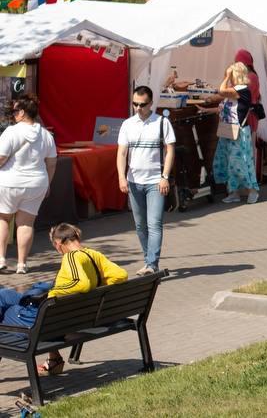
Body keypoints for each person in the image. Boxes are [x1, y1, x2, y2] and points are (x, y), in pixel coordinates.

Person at [35, 223, 128, 376]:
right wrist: (100, 285)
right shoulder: (93, 254)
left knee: (6, 299)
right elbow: (121, 275)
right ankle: (53, 360)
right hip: (90, 315)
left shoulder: (71, 256)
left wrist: (54, 291)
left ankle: (54, 360)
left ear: (58, 244)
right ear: (77, 236)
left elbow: (81, 283)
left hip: (63, 321)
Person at [116, 86, 175, 275]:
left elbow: (170, 151)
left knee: (154, 223)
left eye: (142, 104)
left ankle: (152, 264)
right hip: (134, 181)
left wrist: (165, 177)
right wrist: (121, 177)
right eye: (135, 104)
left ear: (151, 104)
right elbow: (122, 153)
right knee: (140, 225)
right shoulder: (127, 124)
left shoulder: (162, 122)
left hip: (155, 181)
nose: (138, 108)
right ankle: (148, 259)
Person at [0, 96, 57, 275]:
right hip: (36, 183)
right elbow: (52, 163)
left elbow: (1, 157)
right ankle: (22, 264)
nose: (13, 114)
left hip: (9, 182)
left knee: (3, 219)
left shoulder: (11, 132)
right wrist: (48, 183)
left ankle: (1, 259)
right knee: (26, 224)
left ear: (23, 112)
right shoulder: (46, 134)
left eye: (15, 111)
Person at [213, 61, 261, 205]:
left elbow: (221, 90)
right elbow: (224, 106)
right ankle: (234, 192)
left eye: (230, 74)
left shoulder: (242, 90)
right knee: (229, 163)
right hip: (228, 131)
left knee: (242, 162)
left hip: (239, 133)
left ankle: (253, 190)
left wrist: (226, 77)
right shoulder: (234, 91)